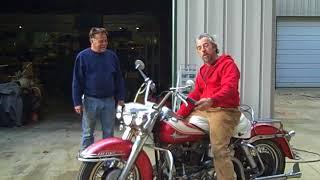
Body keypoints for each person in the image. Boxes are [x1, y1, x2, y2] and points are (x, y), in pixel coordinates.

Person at [177, 33, 241, 180]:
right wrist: (179, 114)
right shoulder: (203, 71)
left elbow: (229, 88)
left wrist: (212, 100)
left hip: (224, 110)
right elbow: (196, 93)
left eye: (206, 46)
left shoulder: (227, 64)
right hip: (206, 110)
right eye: (199, 48)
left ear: (214, 47)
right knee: (178, 128)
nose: (203, 50)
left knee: (219, 149)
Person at [72, 27, 125, 151]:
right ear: (92, 40)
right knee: (88, 133)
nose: (104, 44)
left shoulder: (112, 57)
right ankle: (87, 160)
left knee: (109, 133)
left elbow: (119, 78)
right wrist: (77, 102)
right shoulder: (83, 57)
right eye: (101, 41)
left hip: (109, 101)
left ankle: (107, 161)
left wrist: (121, 97)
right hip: (90, 100)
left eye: (105, 41)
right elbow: (77, 81)